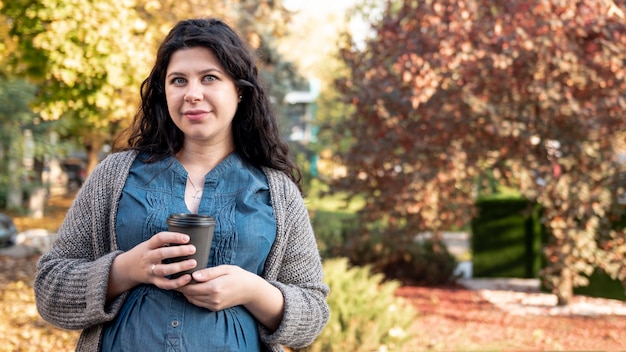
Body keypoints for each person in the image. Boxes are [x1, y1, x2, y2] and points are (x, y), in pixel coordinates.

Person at [34, 18, 330, 352]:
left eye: (209, 78)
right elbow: (50, 291)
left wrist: (253, 291)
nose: (192, 94)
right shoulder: (114, 176)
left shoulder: (277, 192)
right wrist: (127, 269)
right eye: (178, 80)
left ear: (240, 91)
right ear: (165, 92)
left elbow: (313, 315)